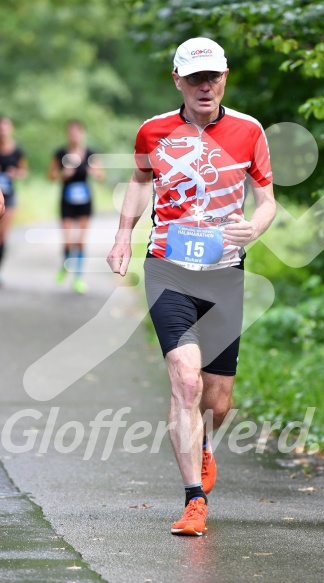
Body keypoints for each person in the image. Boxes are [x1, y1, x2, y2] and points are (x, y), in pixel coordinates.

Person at [107, 37, 276, 536]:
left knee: (218, 400)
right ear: (177, 80)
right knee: (185, 380)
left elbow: (266, 199)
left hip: (225, 271)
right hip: (168, 267)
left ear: (225, 78)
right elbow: (140, 181)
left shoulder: (249, 131)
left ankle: (203, 444)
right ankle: (193, 501)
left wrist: (257, 227)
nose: (206, 86)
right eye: (196, 78)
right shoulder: (153, 131)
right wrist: (122, 236)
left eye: (214, 77)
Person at [48, 120, 104, 293]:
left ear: (82, 134)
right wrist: (63, 175)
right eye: (71, 133)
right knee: (67, 241)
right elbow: (50, 175)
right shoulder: (60, 153)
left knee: (79, 240)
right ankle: (66, 264)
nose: (74, 136)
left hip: (85, 201)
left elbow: (101, 175)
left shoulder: (90, 153)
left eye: (77, 132)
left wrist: (94, 172)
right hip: (66, 201)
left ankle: (78, 278)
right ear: (67, 135)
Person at [0, 116, 28, 285]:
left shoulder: (18, 151)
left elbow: (24, 172)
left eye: (5, 127)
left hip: (8, 197)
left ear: (11, 129)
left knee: (2, 234)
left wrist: (15, 173)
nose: (3, 130)